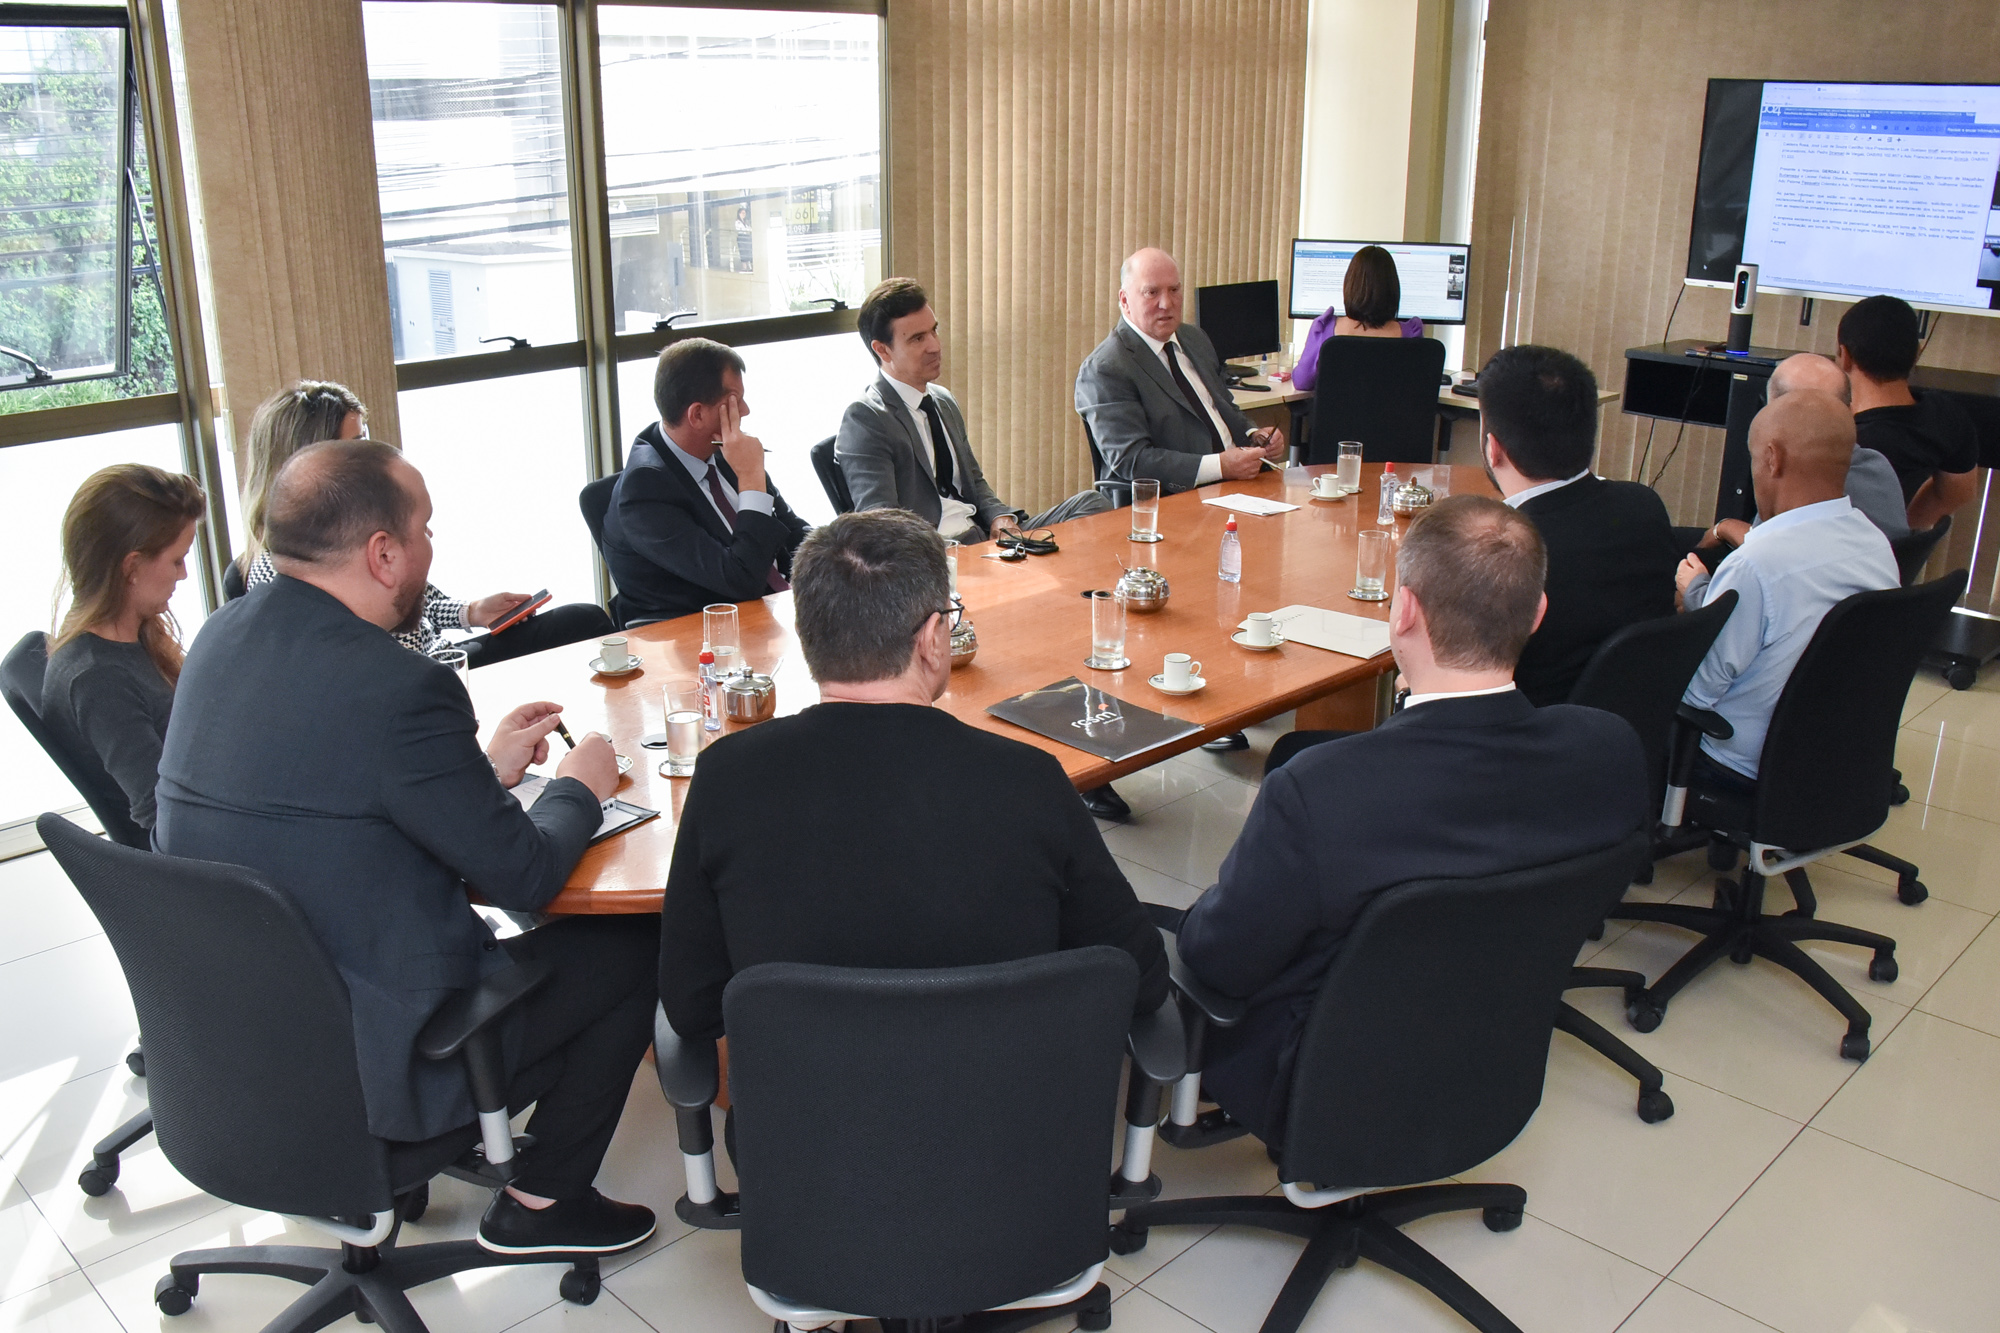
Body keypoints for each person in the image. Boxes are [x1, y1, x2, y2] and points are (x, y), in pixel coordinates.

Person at [155, 440, 659, 1257]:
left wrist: (475, 774)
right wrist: (579, 785)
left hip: (237, 1050)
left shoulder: (221, 637)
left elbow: (326, 796)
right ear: (382, 554)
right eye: (425, 529)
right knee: (635, 938)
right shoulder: (397, 687)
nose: (433, 549)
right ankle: (542, 1199)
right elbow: (522, 874)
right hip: (374, 1060)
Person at [1173, 495, 1647, 1142]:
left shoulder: (1319, 790)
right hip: (1490, 1073)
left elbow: (1214, 958)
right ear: (1536, 614)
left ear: (1404, 610)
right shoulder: (1610, 748)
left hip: (1319, 1093)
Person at [658, 508, 1168, 1043]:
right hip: (1008, 1119)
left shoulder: (726, 777)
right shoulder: (1028, 780)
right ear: (932, 637)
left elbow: (691, 1006)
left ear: (808, 635)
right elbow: (1142, 977)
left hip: (802, 1120)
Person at [239, 380, 612, 666]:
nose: (371, 453)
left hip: (441, 655)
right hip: (427, 675)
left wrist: (472, 611)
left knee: (585, 620)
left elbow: (412, 597)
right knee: (584, 626)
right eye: (357, 445)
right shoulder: (288, 570)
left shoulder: (354, 529)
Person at [1678, 390, 1899, 785]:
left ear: (1772, 458)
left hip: (1740, 766)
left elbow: (1695, 694)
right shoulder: (1875, 544)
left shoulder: (1756, 564)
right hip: (1836, 761)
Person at [1478, 345, 1680, 707]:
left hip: (1515, 749)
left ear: (1493, 448)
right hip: (1620, 744)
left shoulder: (1504, 554)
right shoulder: (1644, 507)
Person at [837, 277, 1111, 539]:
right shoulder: (866, 419)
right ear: (882, 350)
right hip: (937, 555)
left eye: (934, 330)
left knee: (1092, 505)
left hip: (981, 538)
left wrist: (999, 517)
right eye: (918, 339)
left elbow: (974, 482)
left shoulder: (942, 400)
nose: (935, 346)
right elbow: (881, 525)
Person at [600, 338, 811, 626]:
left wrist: (844, 555)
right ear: (697, 414)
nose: (746, 410)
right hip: (708, 634)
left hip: (773, 610)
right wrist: (751, 478)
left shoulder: (722, 451)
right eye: (735, 400)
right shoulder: (645, 491)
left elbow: (792, 530)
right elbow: (740, 581)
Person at [42, 466, 206, 833]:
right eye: (176, 560)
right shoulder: (98, 680)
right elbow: (162, 818)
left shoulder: (132, 638)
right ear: (132, 567)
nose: (183, 575)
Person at [1074, 248, 1286, 493]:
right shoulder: (1106, 369)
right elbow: (1132, 460)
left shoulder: (1194, 338)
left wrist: (1255, 435)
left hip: (1237, 486)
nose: (1166, 303)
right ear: (1124, 300)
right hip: (1175, 498)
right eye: (1151, 292)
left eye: (1174, 290)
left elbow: (1223, 406)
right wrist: (1220, 466)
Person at [1690, 353, 1909, 556]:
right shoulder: (1878, 464)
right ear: (1850, 411)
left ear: (1772, 414)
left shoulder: (1803, 485)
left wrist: (1723, 529)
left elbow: (1767, 554)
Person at [1838, 295, 1982, 532]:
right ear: (1917, 353)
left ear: (1845, 356)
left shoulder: (1844, 440)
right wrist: (1901, 531)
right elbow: (1958, 492)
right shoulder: (1946, 417)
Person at [1289, 244, 1424, 394]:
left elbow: (1302, 381)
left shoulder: (1324, 328)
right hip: (1395, 417)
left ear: (1349, 285)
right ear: (1393, 288)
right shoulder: (1412, 333)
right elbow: (1419, 388)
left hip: (1337, 417)